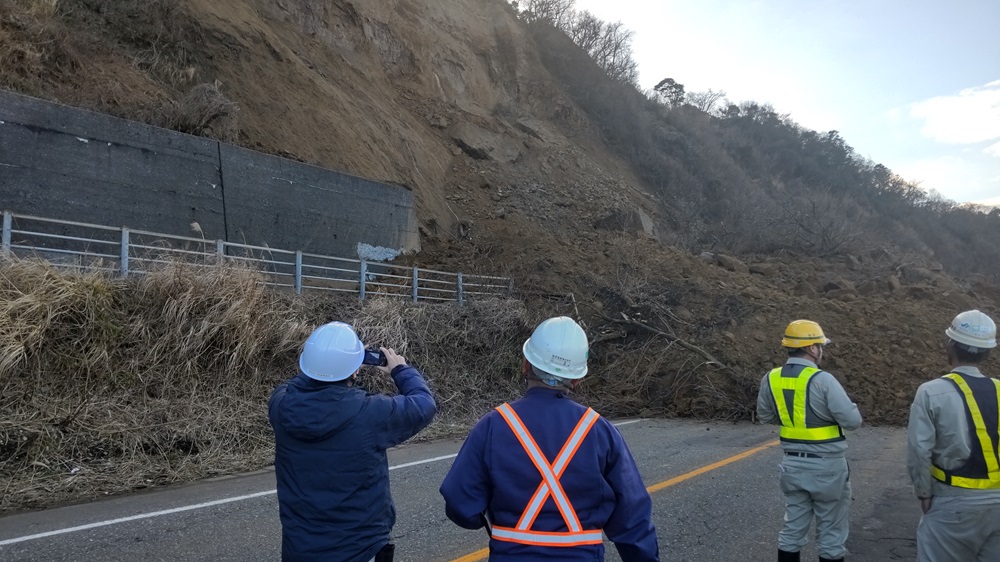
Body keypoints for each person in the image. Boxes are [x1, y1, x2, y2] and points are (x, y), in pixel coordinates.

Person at [439, 316, 659, 562]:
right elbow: (633, 515)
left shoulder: (493, 425)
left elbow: (460, 504)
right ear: (576, 379)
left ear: (525, 364)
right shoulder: (599, 430)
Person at [269, 321, 436, 562]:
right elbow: (424, 404)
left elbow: (295, 384)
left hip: (299, 550)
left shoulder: (281, 406)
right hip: (359, 550)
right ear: (355, 369)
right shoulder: (370, 413)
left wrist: (327, 363)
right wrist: (402, 370)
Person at [757, 319, 863, 562]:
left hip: (792, 466)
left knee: (791, 531)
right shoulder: (823, 380)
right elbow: (852, 421)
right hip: (828, 467)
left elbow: (764, 416)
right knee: (831, 536)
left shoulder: (770, 379)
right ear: (812, 349)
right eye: (820, 346)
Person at [907, 309, 1000, 561]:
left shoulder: (930, 392)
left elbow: (919, 450)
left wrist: (924, 492)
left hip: (953, 501)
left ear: (950, 344)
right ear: (988, 351)